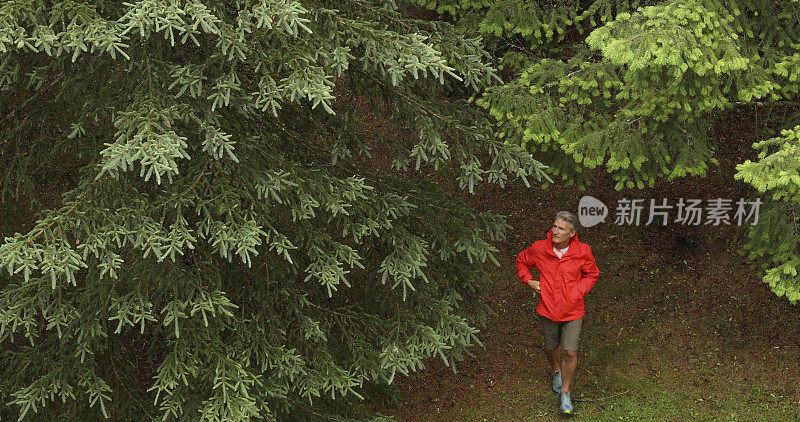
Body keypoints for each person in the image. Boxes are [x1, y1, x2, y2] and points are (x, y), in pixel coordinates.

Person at [515, 211, 600, 414]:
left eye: (561, 228)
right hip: (547, 309)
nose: (555, 231)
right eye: (554, 226)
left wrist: (577, 292)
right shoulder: (539, 248)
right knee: (551, 346)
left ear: (572, 233)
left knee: (569, 351)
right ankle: (556, 371)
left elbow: (592, 274)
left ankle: (565, 392)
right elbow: (521, 261)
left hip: (573, 310)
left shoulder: (583, 251)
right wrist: (528, 280)